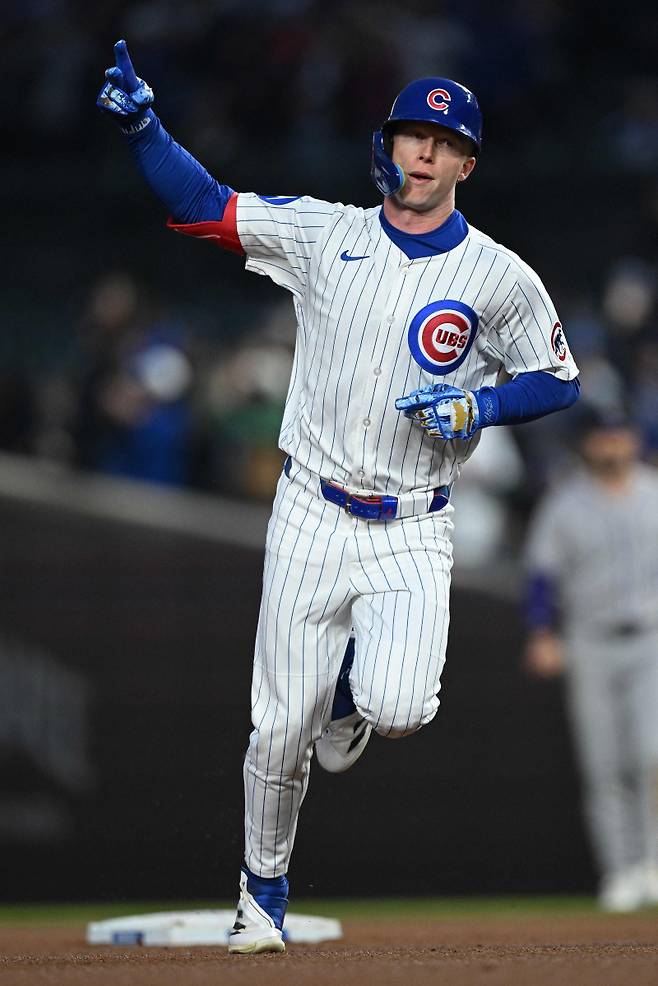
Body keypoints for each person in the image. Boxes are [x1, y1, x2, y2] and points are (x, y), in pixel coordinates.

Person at [98, 40, 580, 953]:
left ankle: (354, 702)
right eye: (411, 136)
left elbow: (559, 378)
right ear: (386, 145)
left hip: (412, 524)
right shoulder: (329, 232)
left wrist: (479, 401)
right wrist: (146, 130)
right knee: (278, 727)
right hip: (311, 510)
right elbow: (207, 210)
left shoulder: (499, 275)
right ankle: (262, 895)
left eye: (442, 143)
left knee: (400, 706)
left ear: (467, 164)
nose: (423, 154)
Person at [524, 411, 658, 912]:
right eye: (602, 437)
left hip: (650, 638)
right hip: (590, 640)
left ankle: (651, 865)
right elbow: (541, 576)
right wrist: (542, 633)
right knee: (603, 765)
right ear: (588, 445)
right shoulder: (566, 502)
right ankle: (620, 870)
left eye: (619, 436)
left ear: (633, 440)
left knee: (651, 757)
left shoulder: (653, 492)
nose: (610, 446)